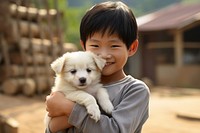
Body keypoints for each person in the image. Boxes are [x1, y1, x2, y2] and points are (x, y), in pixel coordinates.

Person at [45, 1, 150, 133]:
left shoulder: (135, 90)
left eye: (114, 46)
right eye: (95, 45)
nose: (104, 55)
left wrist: (69, 109)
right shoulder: (70, 86)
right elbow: (51, 129)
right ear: (84, 46)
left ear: (132, 48)